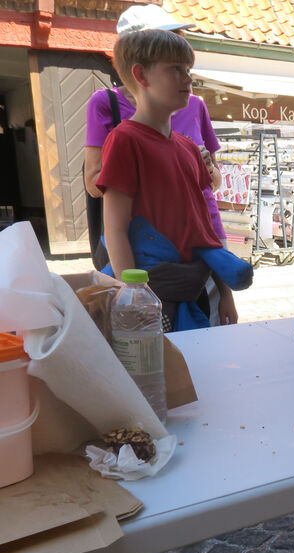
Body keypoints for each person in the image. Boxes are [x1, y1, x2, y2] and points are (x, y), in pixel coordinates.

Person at [96, 29, 243, 330]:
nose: (188, 78)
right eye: (176, 69)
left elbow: (204, 229)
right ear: (141, 75)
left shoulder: (189, 148)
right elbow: (115, 229)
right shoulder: (125, 141)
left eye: (188, 69)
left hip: (195, 288)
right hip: (150, 294)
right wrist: (132, 300)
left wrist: (225, 292)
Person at [84, 5, 224, 250]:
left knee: (226, 275)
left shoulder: (194, 104)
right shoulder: (106, 103)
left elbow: (214, 183)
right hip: (148, 237)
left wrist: (205, 166)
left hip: (205, 229)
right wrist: (154, 164)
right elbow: (94, 185)